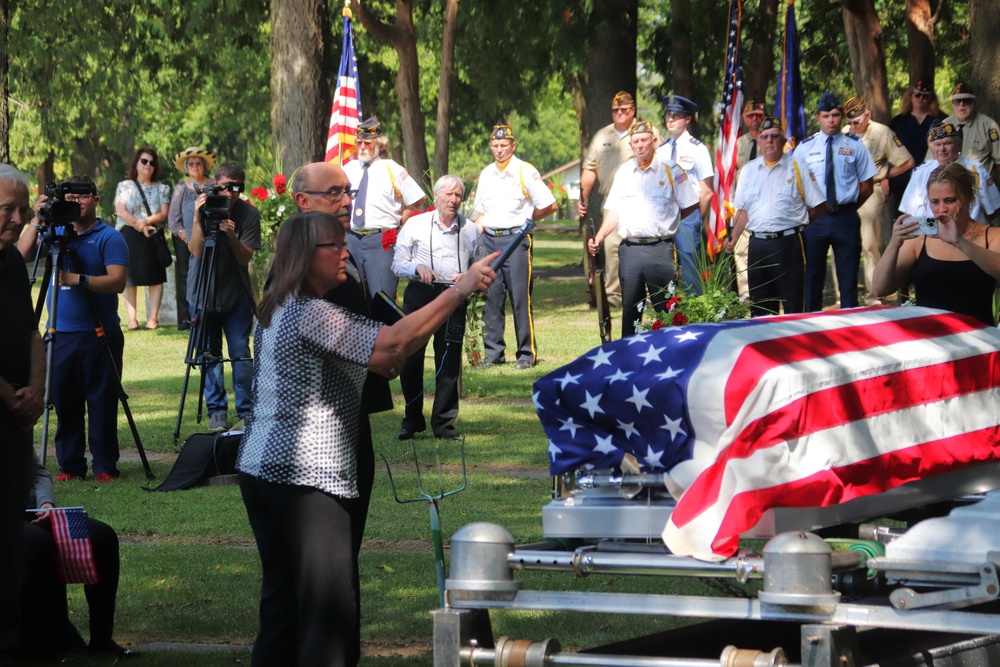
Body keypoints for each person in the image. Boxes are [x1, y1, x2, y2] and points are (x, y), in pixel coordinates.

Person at [236, 210, 497, 666]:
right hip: (307, 478)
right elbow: (394, 344)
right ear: (303, 255)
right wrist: (459, 288)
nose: (345, 252)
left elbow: (383, 355)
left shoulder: (276, 305)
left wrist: (388, 354)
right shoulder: (311, 312)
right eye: (333, 245)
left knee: (281, 608)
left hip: (261, 469)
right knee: (327, 609)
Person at [290, 160, 394, 560]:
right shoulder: (300, 265)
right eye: (333, 193)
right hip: (321, 424)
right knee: (329, 549)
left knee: (347, 541)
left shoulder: (341, 248)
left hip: (351, 408)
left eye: (348, 191)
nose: (346, 201)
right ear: (302, 201)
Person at [20, 175, 129, 482]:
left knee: (101, 401)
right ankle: (70, 466)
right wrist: (37, 219)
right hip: (60, 332)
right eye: (70, 196)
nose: (77, 201)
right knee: (64, 401)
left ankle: (105, 466)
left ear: (96, 199)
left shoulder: (109, 237)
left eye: (84, 195)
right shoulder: (54, 233)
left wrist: (78, 279)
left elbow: (118, 281)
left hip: (100, 331)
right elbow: (23, 255)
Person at [588, 120, 700, 337]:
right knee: (630, 309)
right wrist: (600, 236)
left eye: (644, 140)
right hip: (630, 250)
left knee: (665, 309)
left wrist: (671, 221)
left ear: (654, 142)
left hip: (660, 249)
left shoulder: (671, 170)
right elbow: (614, 210)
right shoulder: (624, 172)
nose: (639, 145)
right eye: (635, 141)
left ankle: (670, 355)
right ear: (631, 145)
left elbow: (691, 204)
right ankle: (629, 359)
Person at [392, 175, 479, 441]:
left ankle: (443, 424)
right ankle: (412, 419)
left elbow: (480, 265)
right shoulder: (415, 225)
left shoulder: (471, 229)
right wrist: (416, 267)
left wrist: (470, 277)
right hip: (420, 294)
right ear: (437, 197)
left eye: (458, 196)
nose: (454, 200)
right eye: (449, 195)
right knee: (410, 358)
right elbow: (397, 263)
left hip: (453, 297)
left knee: (449, 359)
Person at [19, 457, 131, 658]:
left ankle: (102, 641)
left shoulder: (18, 428)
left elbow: (37, 472)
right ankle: (46, 643)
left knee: (102, 537)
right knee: (39, 543)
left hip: (34, 512)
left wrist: (46, 504)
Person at [0, 163, 44, 666]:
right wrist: (10, 396)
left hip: (15, 421)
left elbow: (33, 331)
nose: (17, 219)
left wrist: (35, 389)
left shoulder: (12, 262)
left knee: (10, 531)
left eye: (22, 208)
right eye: (7, 210)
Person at [470, 123, 557, 369]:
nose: (499, 150)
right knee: (491, 298)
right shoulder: (487, 173)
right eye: (495, 146)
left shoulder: (524, 171)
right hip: (490, 240)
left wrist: (528, 223)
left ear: (513, 146)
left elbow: (550, 205)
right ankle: (493, 353)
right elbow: (479, 211)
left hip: (517, 240)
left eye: (504, 145)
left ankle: (526, 354)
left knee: (520, 298)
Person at [873, 162, 1000, 326]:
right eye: (934, 202)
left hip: (976, 342)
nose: (942, 209)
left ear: (968, 197)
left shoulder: (991, 236)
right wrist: (894, 244)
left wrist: (960, 242)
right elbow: (880, 289)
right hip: (930, 339)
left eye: (950, 200)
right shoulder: (920, 239)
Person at [726, 117, 828, 316]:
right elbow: (743, 212)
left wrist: (799, 223)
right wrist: (734, 238)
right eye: (764, 137)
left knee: (793, 305)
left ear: (783, 141)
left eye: (774, 136)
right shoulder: (748, 171)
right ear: (759, 143)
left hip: (789, 244)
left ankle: (795, 344)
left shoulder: (798, 167)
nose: (769, 141)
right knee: (760, 306)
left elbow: (820, 205)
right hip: (757, 246)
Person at [188, 161, 260, 432]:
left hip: (236, 296)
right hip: (202, 292)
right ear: (213, 185)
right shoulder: (196, 206)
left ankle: (246, 411)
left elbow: (244, 259)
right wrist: (198, 218)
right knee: (209, 354)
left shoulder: (249, 214)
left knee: (240, 353)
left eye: (236, 188)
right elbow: (195, 250)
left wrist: (230, 235)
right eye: (224, 187)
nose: (229, 193)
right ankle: (216, 411)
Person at [793, 92, 877, 311]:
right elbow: (796, 186)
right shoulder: (804, 148)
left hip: (845, 217)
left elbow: (867, 186)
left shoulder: (856, 146)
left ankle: (850, 324)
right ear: (817, 117)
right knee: (812, 276)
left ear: (841, 117)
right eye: (826, 115)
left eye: (835, 115)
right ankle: (810, 324)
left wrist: (847, 208)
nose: (831, 120)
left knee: (848, 277)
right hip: (815, 220)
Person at [343, 117, 426, 302]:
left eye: (367, 143)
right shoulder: (348, 169)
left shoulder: (391, 168)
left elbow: (418, 197)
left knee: (383, 296)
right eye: (359, 143)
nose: (362, 147)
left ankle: (386, 331)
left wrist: (402, 219)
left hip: (379, 241)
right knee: (353, 295)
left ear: (379, 145)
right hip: (352, 239)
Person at [841, 95, 914, 304]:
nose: (853, 126)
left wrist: (884, 175)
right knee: (842, 240)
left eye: (857, 121)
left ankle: (874, 293)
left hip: (871, 189)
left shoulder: (882, 132)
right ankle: (842, 294)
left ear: (867, 114)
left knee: (870, 242)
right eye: (850, 122)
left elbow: (908, 161)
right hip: (846, 191)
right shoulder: (843, 134)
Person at [578, 90, 639, 307]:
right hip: (611, 202)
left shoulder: (645, 132)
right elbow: (590, 168)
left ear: (633, 110)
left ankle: (646, 295)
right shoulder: (602, 136)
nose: (619, 113)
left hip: (641, 202)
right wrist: (583, 197)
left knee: (640, 245)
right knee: (611, 248)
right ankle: (614, 296)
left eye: (624, 109)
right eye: (615, 110)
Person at [656, 95, 715, 295]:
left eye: (677, 115)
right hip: (664, 216)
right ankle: (667, 313)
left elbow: (706, 190)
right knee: (664, 266)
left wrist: (696, 217)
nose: (670, 119)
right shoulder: (661, 150)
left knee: (690, 266)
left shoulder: (698, 149)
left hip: (688, 216)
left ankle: (694, 309)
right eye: (668, 115)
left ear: (688, 119)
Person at [114, 147, 171, 330]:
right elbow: (121, 210)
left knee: (155, 277)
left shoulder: (163, 188)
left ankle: (152, 319)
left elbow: (164, 214)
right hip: (129, 233)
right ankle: (132, 320)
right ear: (136, 163)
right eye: (144, 161)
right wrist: (139, 225)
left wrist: (146, 222)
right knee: (129, 278)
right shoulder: (124, 186)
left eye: (152, 162)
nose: (148, 165)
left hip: (153, 235)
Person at [900, 122, 1000, 225]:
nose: (942, 149)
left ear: (959, 144)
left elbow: (994, 209)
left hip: (967, 235)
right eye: (937, 144)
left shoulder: (975, 170)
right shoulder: (920, 172)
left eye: (947, 143)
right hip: (931, 236)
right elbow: (909, 212)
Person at [168, 147, 217, 331]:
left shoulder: (213, 184)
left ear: (204, 166)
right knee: (185, 275)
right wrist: (187, 236)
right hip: (184, 238)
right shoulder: (181, 188)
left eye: (198, 163)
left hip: (211, 235)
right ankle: (187, 316)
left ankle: (209, 309)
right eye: (191, 163)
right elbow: (173, 218)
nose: (195, 166)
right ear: (186, 167)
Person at [888, 80, 946, 218]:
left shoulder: (942, 121)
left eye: (926, 96)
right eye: (917, 95)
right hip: (903, 183)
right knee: (906, 226)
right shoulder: (898, 122)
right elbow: (887, 153)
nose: (921, 99)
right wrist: (885, 178)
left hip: (934, 181)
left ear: (932, 98)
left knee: (934, 225)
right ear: (910, 96)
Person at [732, 99, 768, 296]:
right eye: (751, 115)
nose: (755, 119)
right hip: (744, 204)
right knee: (741, 251)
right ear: (745, 119)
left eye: (759, 115)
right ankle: (746, 295)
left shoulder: (772, 140)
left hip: (767, 204)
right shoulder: (738, 144)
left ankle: (769, 292)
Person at [939, 83, 1000, 182]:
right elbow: (932, 160)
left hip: (980, 188)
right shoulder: (943, 126)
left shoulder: (988, 126)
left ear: (974, 102)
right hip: (950, 186)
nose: (961, 105)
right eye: (957, 101)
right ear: (952, 103)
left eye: (967, 101)